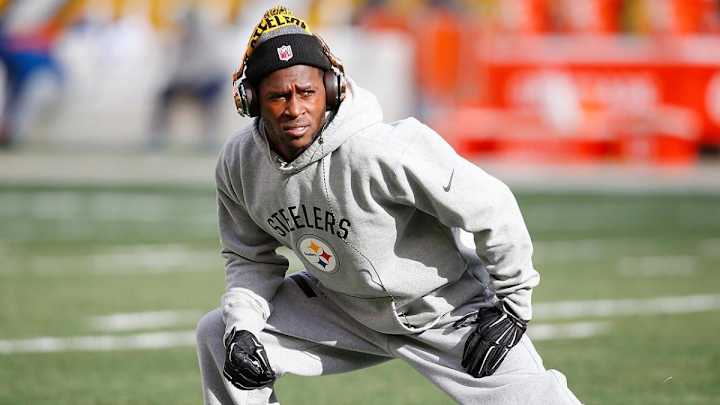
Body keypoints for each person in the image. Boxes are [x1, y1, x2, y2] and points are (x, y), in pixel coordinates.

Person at [196, 6, 582, 405]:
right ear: (250, 100)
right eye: (278, 96)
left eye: (306, 92)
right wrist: (243, 326)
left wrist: (514, 304)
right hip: (342, 309)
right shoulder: (240, 163)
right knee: (222, 334)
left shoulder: (383, 149)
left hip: (443, 308)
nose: (294, 109)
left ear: (331, 89)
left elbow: (491, 206)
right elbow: (249, 258)